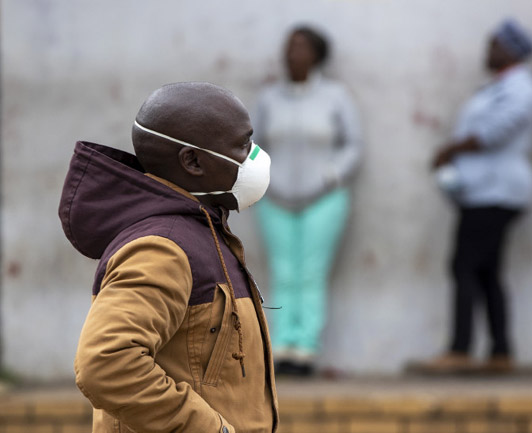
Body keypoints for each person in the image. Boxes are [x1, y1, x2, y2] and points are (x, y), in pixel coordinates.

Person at [58, 82, 278, 432]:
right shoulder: (162, 248)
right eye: (243, 144)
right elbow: (105, 364)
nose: (255, 156)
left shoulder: (204, 232)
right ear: (193, 161)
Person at [412, 19, 532, 375]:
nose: (487, 52)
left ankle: (460, 348)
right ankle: (500, 351)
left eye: (494, 45)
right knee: (486, 270)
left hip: (496, 190)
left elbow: (494, 132)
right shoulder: (497, 87)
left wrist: (450, 150)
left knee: (465, 265)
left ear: (511, 51)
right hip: (482, 189)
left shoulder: (522, 89)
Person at [251, 25, 363, 376]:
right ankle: (281, 346)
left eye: (300, 47)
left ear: (317, 55)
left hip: (324, 200)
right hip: (275, 199)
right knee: (284, 272)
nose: (291, 54)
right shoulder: (269, 98)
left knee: (311, 273)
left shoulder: (335, 96)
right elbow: (251, 144)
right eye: (288, 46)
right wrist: (264, 179)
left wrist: (330, 176)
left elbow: (353, 145)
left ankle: (305, 349)